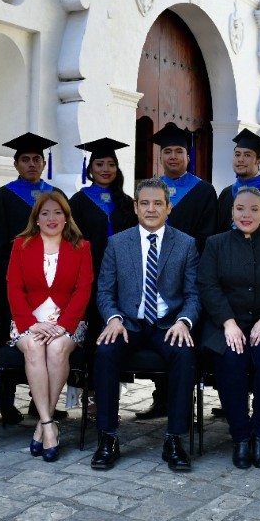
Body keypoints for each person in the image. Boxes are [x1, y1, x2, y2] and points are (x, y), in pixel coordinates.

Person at [91, 178, 200, 472]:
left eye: (158, 203)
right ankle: (108, 437)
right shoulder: (117, 243)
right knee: (104, 352)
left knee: (185, 354)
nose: (151, 209)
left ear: (169, 208)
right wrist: (113, 318)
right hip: (128, 323)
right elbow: (104, 291)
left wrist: (184, 321)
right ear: (136, 207)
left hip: (168, 325)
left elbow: (193, 294)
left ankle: (174, 439)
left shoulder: (186, 244)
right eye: (145, 203)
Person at [198, 186, 260, 469]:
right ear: (232, 211)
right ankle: (241, 437)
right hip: (227, 323)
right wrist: (227, 322)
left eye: (254, 209)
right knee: (230, 358)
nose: (247, 214)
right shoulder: (216, 244)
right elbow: (208, 285)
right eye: (240, 208)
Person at [6, 191, 93, 461]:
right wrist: (31, 324)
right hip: (27, 322)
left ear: (66, 218)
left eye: (58, 212)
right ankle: (48, 424)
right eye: (45, 213)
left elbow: (83, 289)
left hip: (68, 322)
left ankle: (41, 423)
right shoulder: (21, 245)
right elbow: (13, 287)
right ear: (37, 218)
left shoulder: (81, 246)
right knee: (33, 348)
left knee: (56, 350)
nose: (52, 218)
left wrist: (64, 325)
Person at [0, 132, 64, 425]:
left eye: (36, 159)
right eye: (25, 159)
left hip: (51, 285)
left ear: (44, 163)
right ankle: (5, 402)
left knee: (48, 336)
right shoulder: (2, 197)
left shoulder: (55, 197)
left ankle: (40, 401)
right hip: (14, 285)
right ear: (16, 163)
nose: (31, 164)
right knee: (8, 339)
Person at [140, 122, 216, 421]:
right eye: (167, 151)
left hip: (188, 273)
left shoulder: (203, 191)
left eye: (179, 151)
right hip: (152, 272)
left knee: (183, 337)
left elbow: (208, 235)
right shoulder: (151, 189)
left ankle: (182, 399)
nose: (173, 156)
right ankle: (161, 399)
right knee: (157, 328)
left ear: (189, 155)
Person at [69, 138, 139, 420]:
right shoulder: (78, 201)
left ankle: (110, 396)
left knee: (115, 337)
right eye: (100, 164)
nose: (106, 168)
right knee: (90, 340)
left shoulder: (126, 202)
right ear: (90, 168)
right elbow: (72, 241)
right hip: (89, 279)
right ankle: (90, 396)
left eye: (111, 164)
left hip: (122, 283)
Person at [214, 129, 260, 236]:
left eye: (247, 155)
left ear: (258, 161)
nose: (240, 159)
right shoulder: (227, 193)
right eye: (237, 154)